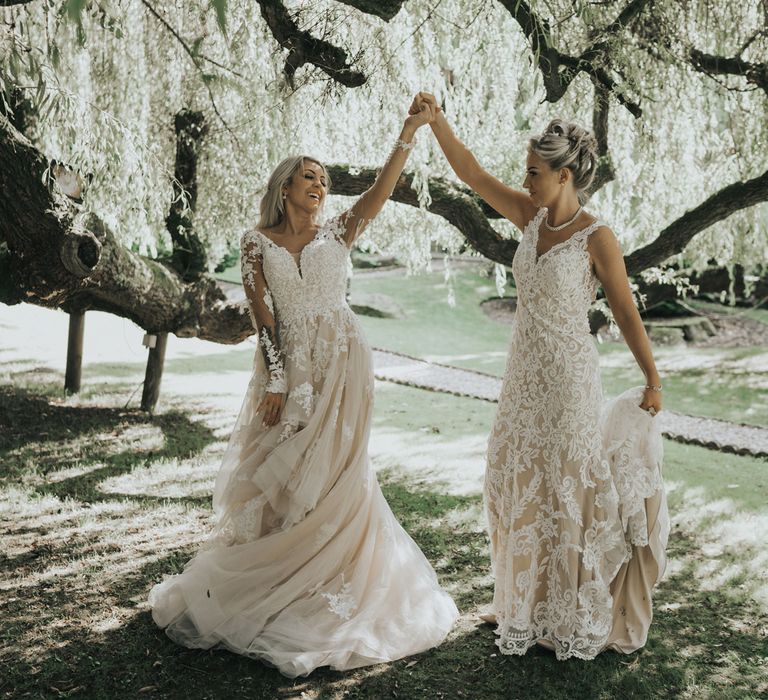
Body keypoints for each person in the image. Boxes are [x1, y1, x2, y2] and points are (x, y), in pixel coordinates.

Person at [149, 100, 458, 677]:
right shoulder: (254, 241)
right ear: (285, 185)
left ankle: (329, 575)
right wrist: (278, 377)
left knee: (337, 470)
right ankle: (280, 575)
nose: (320, 184)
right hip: (287, 366)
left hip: (343, 362)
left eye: (325, 179)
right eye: (309, 176)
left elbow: (382, 190)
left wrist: (408, 133)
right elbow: (262, 315)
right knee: (280, 467)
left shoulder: (341, 228)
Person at [411, 92, 668, 660]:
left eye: (534, 172)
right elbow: (472, 174)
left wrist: (652, 378)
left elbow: (625, 311)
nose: (525, 181)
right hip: (522, 378)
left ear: (565, 174)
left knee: (565, 492)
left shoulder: (597, 236)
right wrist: (436, 121)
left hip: (570, 380)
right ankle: (522, 606)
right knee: (512, 482)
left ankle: (569, 615)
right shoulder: (529, 218)